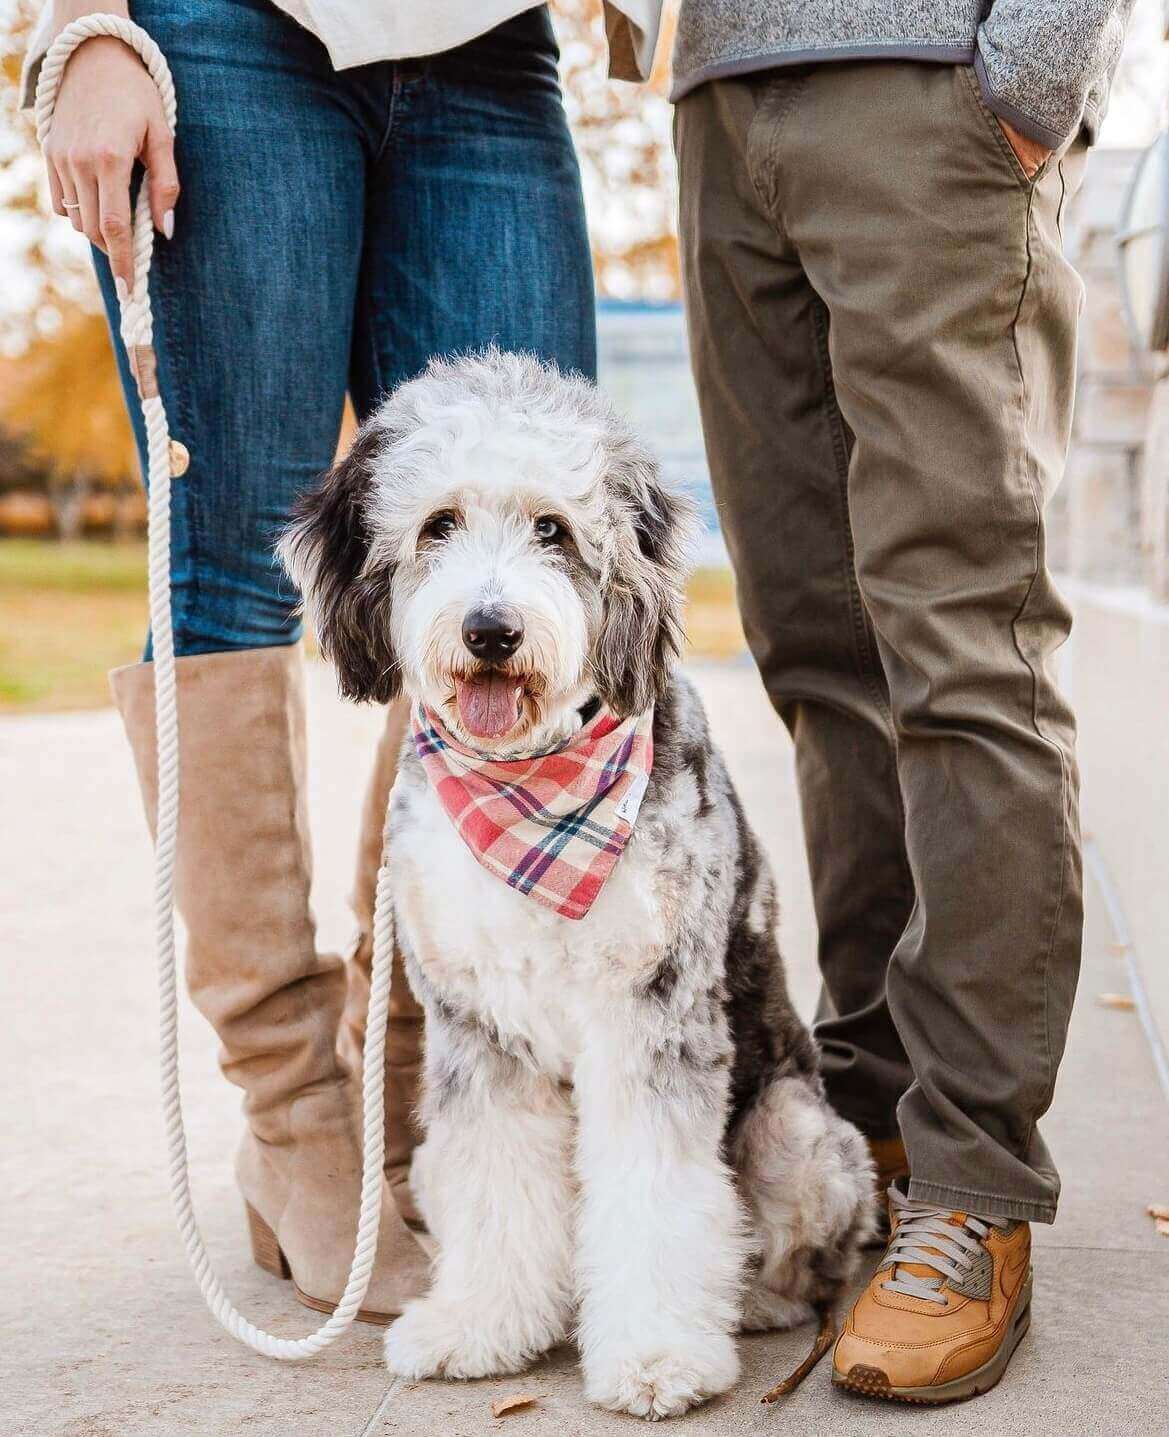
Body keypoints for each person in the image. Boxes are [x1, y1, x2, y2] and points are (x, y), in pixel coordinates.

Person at [25, 0, 655, 1323]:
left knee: (521, 561)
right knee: (230, 569)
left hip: (489, 44)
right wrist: (82, 30)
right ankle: (298, 1116)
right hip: (223, 38)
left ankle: (405, 1078)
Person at [669, 0, 1134, 1405]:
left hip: (930, 78)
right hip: (719, 87)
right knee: (813, 641)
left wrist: (1036, 68)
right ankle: (868, 1107)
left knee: (959, 642)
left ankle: (975, 1178)